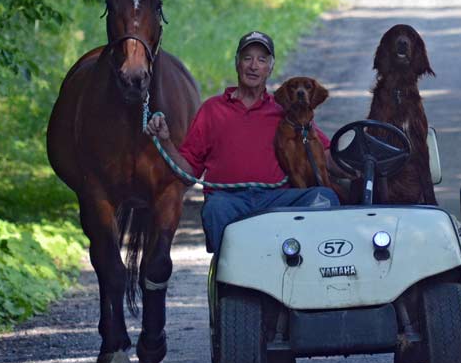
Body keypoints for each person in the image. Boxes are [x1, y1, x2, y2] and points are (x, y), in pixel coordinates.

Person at [146, 30, 349, 253]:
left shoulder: (285, 111)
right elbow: (186, 174)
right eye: (247, 58)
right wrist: (165, 141)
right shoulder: (212, 110)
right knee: (215, 208)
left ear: (270, 68)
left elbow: (325, 155)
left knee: (324, 197)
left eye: (262, 60)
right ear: (237, 63)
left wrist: (361, 156)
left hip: (277, 199)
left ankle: (307, 265)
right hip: (229, 199)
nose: (254, 66)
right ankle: (230, 275)